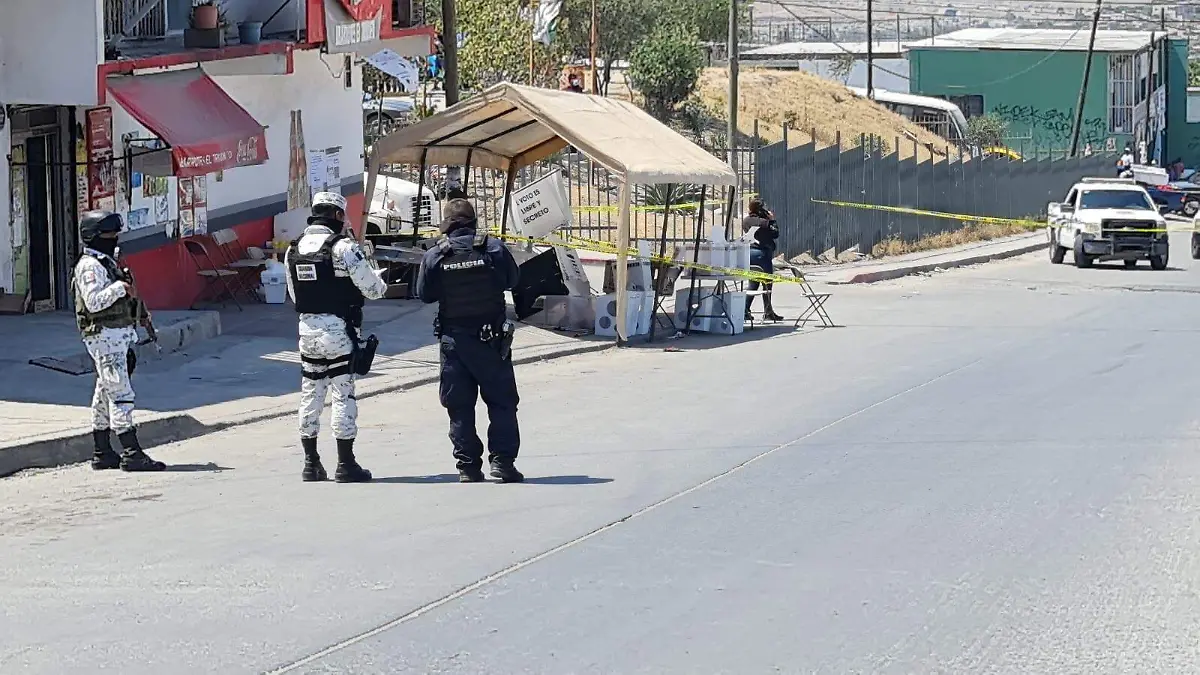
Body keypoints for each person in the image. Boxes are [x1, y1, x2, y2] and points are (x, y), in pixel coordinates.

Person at [415, 199, 524, 484]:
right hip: (491, 341)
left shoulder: (436, 255)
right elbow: (513, 280)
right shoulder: (493, 248)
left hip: (454, 342)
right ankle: (502, 463)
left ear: (447, 225)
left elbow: (424, 294)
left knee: (459, 406)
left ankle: (468, 467)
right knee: (501, 403)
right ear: (473, 222)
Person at [285, 191, 388, 483]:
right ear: (339, 216)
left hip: (307, 331)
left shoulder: (293, 249)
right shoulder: (343, 247)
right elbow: (372, 289)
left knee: (311, 393)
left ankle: (310, 462)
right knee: (343, 392)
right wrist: (378, 278)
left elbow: (294, 295)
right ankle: (346, 463)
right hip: (339, 330)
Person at [74, 211, 166, 472]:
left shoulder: (106, 262)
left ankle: (102, 451)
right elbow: (93, 302)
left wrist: (141, 313)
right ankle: (131, 452)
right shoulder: (89, 266)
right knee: (121, 395)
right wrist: (121, 288)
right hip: (104, 336)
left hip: (117, 336)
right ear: (93, 237)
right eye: (108, 235)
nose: (114, 239)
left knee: (104, 393)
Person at [742, 199, 785, 323]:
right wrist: (772, 220)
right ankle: (768, 312)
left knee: (753, 283)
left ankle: (745, 310)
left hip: (750, 253)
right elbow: (775, 233)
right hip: (763, 254)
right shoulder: (764, 222)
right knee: (767, 283)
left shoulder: (746, 221)